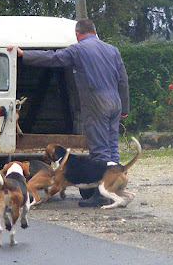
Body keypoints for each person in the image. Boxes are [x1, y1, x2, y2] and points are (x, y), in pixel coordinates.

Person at [7, 19, 130, 207]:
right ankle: (114, 185)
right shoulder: (112, 50)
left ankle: (100, 195)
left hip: (96, 102)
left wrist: (24, 55)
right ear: (95, 32)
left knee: (100, 150)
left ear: (78, 34)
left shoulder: (79, 49)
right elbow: (123, 79)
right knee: (113, 146)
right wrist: (125, 108)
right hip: (115, 102)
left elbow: (53, 58)